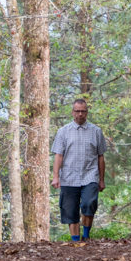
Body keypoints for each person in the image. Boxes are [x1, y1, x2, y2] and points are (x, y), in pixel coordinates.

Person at [51, 98, 106, 242]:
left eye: (83, 111)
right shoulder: (63, 131)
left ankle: (86, 236)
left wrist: (101, 179)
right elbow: (58, 155)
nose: (80, 114)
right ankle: (75, 241)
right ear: (72, 112)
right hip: (69, 177)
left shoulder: (96, 131)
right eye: (77, 111)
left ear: (87, 112)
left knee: (89, 203)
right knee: (70, 210)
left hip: (90, 175)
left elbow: (101, 157)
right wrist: (55, 176)